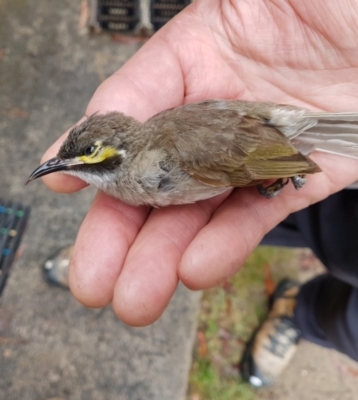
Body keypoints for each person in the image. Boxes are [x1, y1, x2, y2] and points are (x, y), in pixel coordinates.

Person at [40, 0, 358, 386]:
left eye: (88, 158)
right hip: (259, 148)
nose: (76, 167)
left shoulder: (164, 160)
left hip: (265, 147)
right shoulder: (150, 152)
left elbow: (249, 157)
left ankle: (303, 314)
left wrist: (289, 166)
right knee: (235, 230)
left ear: (117, 154)